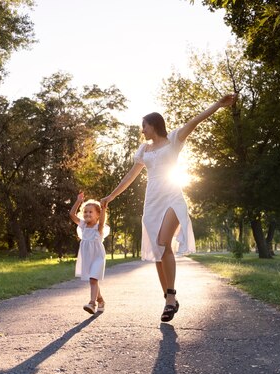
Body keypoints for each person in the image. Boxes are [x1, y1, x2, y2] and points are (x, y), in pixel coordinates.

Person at [101, 93, 238, 322]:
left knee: (164, 242)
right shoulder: (144, 150)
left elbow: (195, 121)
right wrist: (111, 196)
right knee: (158, 252)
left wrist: (218, 104)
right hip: (152, 201)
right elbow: (130, 177)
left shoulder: (174, 139)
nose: (142, 130)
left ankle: (171, 296)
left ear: (153, 125)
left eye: (143, 126)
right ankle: (168, 299)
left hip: (172, 197)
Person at [70, 192, 110, 314]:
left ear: (97, 215)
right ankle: (101, 300)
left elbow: (102, 220)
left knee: (93, 279)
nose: (87, 214)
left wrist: (103, 208)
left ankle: (92, 303)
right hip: (87, 257)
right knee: (93, 280)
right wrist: (78, 201)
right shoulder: (83, 226)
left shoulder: (99, 228)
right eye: (85, 212)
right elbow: (72, 214)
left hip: (98, 257)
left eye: (90, 212)